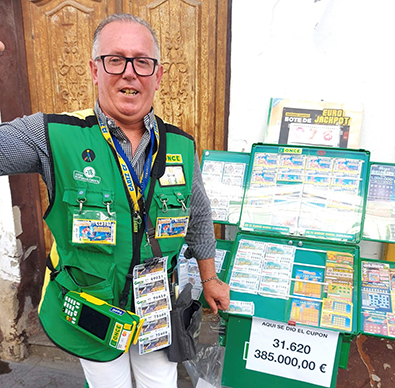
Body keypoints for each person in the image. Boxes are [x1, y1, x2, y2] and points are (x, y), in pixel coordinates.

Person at [0, 13, 229, 388]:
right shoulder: (52, 135)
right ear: (94, 69)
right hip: (93, 306)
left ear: (157, 75)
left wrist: (210, 277)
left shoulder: (181, 146)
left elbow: (198, 213)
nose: (129, 72)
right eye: (115, 60)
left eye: (142, 61)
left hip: (156, 305)